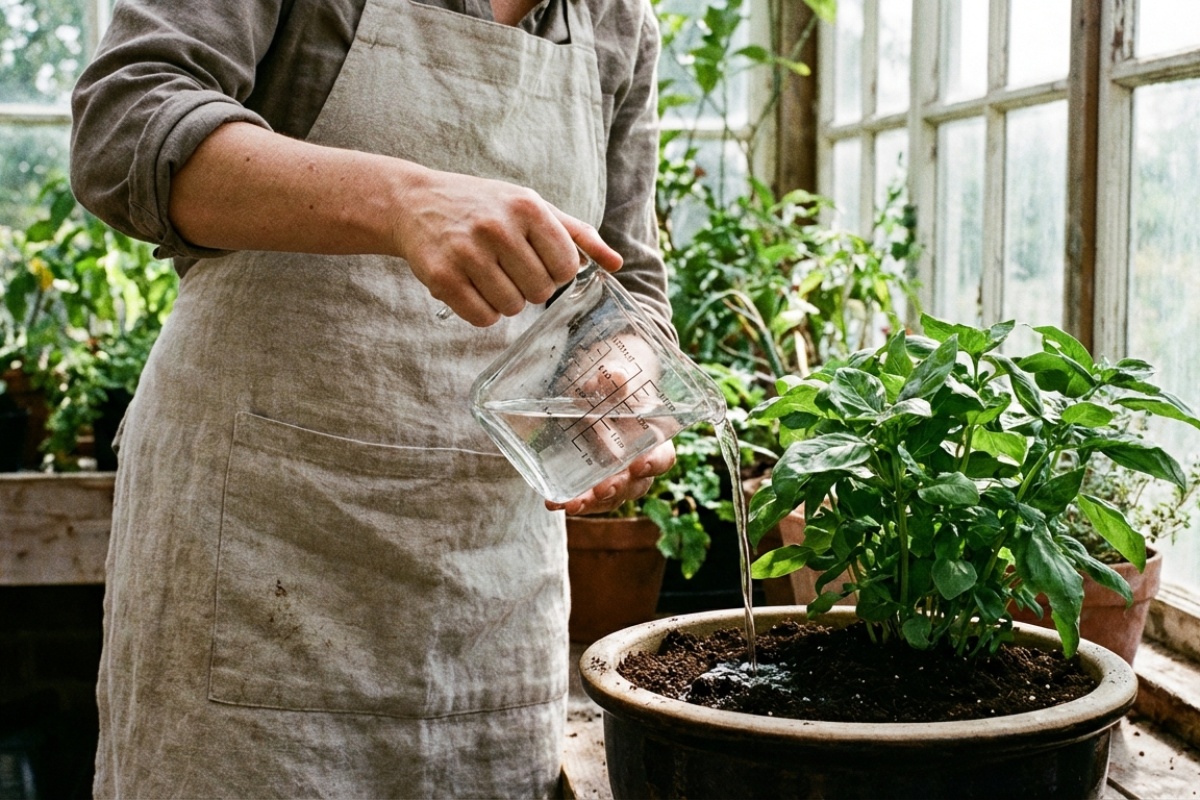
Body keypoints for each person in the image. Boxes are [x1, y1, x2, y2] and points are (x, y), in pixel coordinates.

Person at [69, 0, 675, 796]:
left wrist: (622, 376)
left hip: (489, 597)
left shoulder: (617, 21)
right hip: (256, 559)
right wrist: (399, 202)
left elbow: (627, 281)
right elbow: (126, 121)